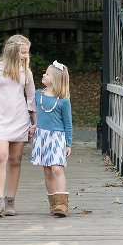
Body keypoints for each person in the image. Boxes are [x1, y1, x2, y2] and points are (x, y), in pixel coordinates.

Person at [0, 34, 36, 217]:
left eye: (27, 53)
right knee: (0, 156)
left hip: (19, 120)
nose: (25, 57)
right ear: (13, 50)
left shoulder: (26, 72)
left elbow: (31, 97)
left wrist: (35, 122)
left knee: (15, 159)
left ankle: (11, 200)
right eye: (23, 52)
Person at [30, 60, 72, 217]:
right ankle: (53, 204)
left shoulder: (63, 101)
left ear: (55, 79)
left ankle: (62, 203)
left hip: (57, 137)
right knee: (47, 171)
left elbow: (68, 124)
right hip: (42, 136)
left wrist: (68, 143)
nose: (43, 74)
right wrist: (33, 125)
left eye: (47, 74)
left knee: (57, 168)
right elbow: (33, 112)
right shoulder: (38, 95)